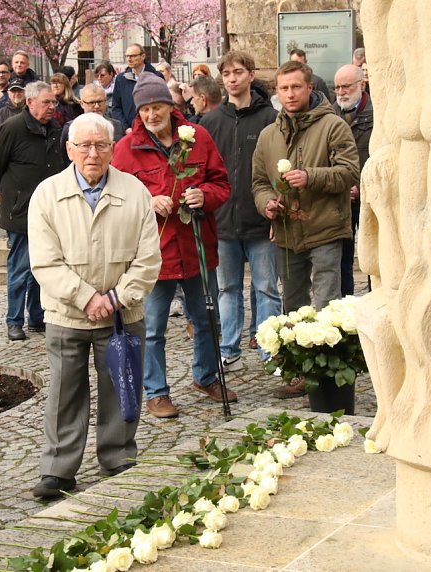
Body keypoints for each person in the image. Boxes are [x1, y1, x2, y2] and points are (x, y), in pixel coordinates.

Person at [28, 113, 161, 499]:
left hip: (123, 312)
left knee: (122, 385)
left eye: (101, 145)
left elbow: (149, 257)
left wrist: (117, 298)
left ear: (111, 148)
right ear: (69, 149)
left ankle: (118, 455)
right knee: (64, 391)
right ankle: (58, 468)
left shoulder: (135, 191)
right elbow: (45, 261)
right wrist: (87, 298)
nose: (93, 153)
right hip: (67, 313)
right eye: (84, 145)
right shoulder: (47, 194)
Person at [112, 73, 233, 419]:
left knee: (206, 320)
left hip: (197, 247)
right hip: (155, 255)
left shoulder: (197, 138)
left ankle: (206, 376)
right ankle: (157, 391)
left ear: (171, 105)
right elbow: (116, 198)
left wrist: (204, 195)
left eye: (158, 106)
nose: (152, 114)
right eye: (146, 109)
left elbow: (221, 183)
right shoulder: (127, 148)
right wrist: (148, 200)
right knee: (153, 329)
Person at [251, 60, 359, 398]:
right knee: (294, 304)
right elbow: (257, 183)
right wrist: (267, 202)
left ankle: (327, 373)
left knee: (326, 302)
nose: (290, 93)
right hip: (287, 231)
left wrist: (310, 176)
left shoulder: (333, 126)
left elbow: (350, 172)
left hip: (326, 227)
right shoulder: (270, 134)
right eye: (284, 88)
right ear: (277, 92)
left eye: (296, 87)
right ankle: (299, 372)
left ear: (310, 87)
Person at [200, 50, 282, 373]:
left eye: (238, 72)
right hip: (222, 221)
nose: (232, 79)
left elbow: (278, 167)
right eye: (227, 74)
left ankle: (269, 348)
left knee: (266, 288)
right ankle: (229, 349)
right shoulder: (211, 121)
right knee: (228, 289)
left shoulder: (269, 119)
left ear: (250, 74)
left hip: (261, 219)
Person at [0, 81, 65, 341]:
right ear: (30, 103)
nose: (52, 107)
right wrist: (5, 193)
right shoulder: (11, 129)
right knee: (20, 269)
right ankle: (14, 321)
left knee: (41, 268)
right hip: (20, 211)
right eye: (47, 102)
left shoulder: (55, 129)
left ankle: (37, 317)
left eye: (54, 102)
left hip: (49, 212)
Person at [333, 64, 374, 295]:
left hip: (370, 198)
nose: (341, 92)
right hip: (341, 198)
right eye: (337, 87)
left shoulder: (376, 113)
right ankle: (345, 315)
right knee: (342, 260)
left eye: (346, 86)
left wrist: (361, 184)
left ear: (362, 85)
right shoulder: (329, 114)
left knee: (373, 256)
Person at [111, 44, 163, 129]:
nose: (129, 59)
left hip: (151, 128)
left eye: (133, 56)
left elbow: (162, 105)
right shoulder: (121, 79)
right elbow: (116, 107)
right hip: (129, 130)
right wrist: (125, 128)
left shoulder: (156, 77)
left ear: (143, 56)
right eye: (127, 56)